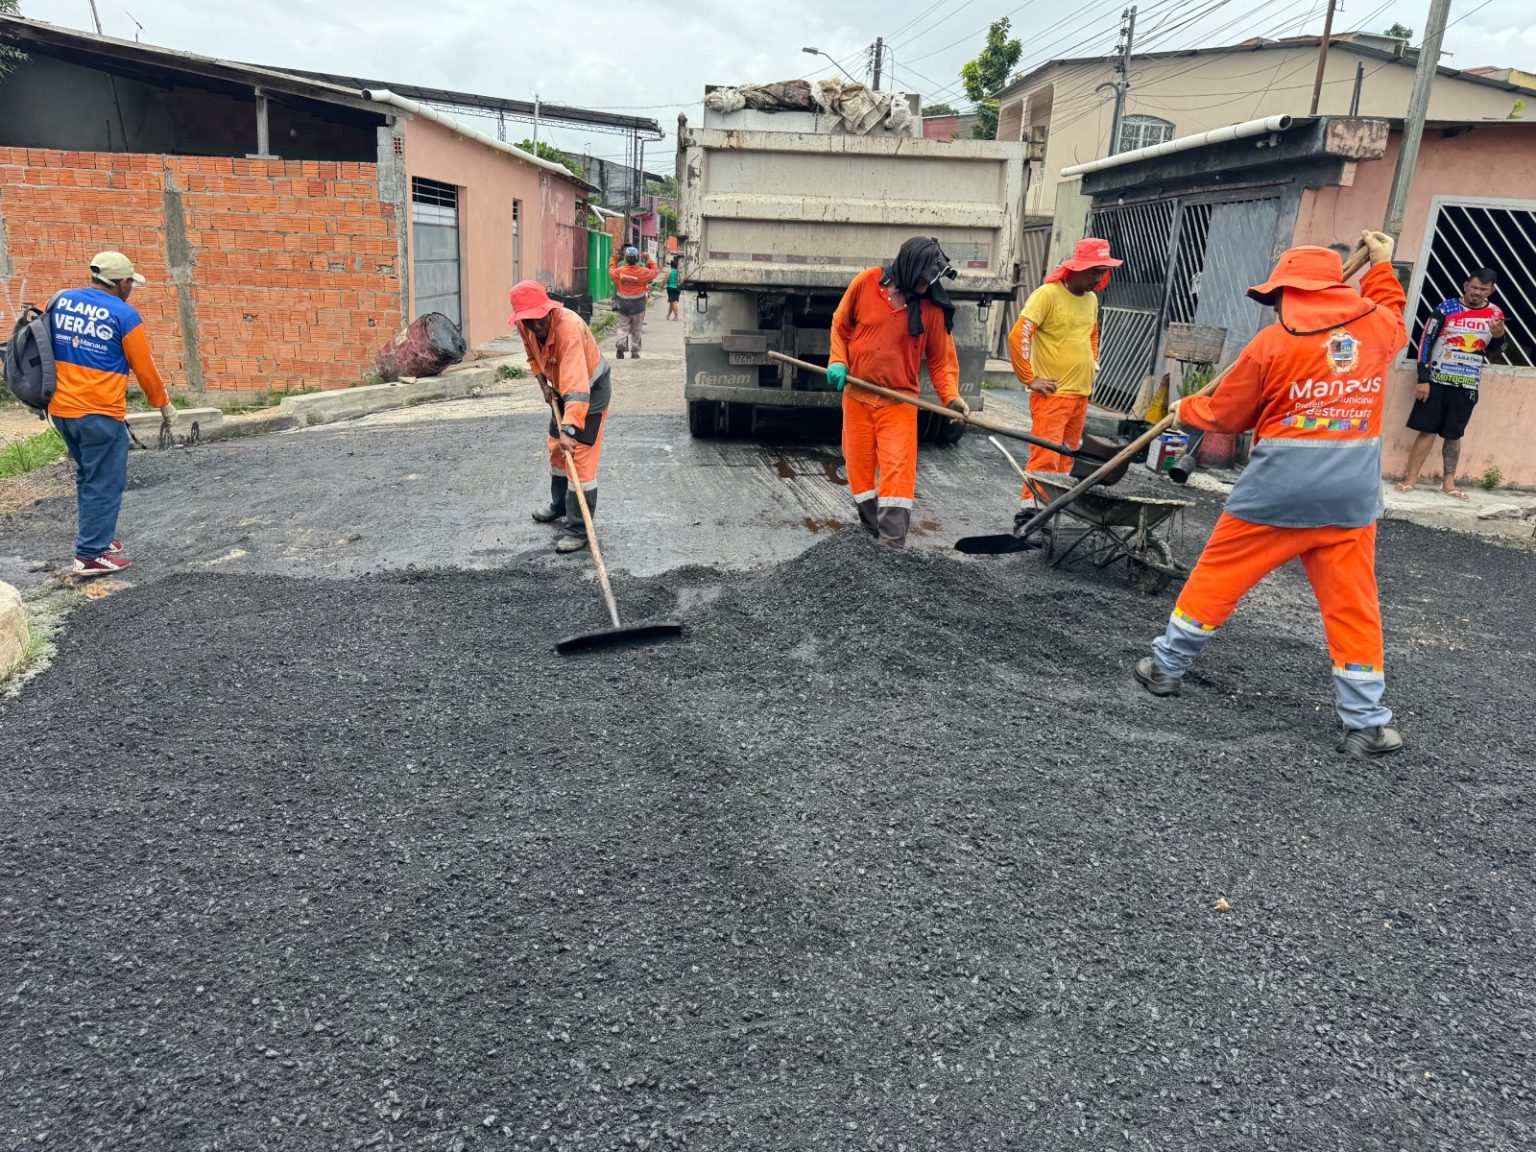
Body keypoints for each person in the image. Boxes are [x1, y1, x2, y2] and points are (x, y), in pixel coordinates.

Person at [1133, 231, 1409, 759]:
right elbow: (1393, 311)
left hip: (1275, 496)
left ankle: (1165, 669)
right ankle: (1367, 724)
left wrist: (1187, 410)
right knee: (1354, 608)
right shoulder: (1377, 326)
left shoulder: (1271, 343)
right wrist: (1382, 266)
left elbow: (1230, 416)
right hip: (1347, 501)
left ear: (1287, 292)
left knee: (1216, 580)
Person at [826, 236, 969, 547]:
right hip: (857, 398)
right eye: (923, 277)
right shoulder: (866, 282)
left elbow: (941, 363)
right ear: (908, 266)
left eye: (931, 279)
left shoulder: (932, 309)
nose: (925, 285)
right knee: (860, 472)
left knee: (897, 473)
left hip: (898, 403)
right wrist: (838, 360)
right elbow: (840, 325)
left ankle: (891, 547)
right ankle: (868, 536)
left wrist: (953, 398)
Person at [48, 251, 176, 577]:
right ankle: (90, 555)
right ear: (120, 283)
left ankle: (98, 538)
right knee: (105, 481)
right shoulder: (124, 315)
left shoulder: (60, 301)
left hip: (61, 410)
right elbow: (145, 368)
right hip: (98, 413)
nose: (131, 287)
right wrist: (162, 403)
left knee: (88, 475)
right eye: (130, 282)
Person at [1007, 237, 1122, 515]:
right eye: (1095, 270)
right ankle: (1030, 514)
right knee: (1045, 459)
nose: (1100, 277)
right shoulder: (1048, 294)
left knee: (1067, 461)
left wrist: (1093, 361)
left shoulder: (1092, 299)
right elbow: (1019, 334)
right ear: (1077, 268)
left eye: (1103, 271)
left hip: (1080, 395)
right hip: (1052, 395)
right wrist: (1029, 378)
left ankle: (1054, 513)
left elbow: (1092, 332)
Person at [509, 280, 611, 554]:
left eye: (540, 319)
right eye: (529, 321)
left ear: (549, 310)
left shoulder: (568, 331)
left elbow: (577, 387)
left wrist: (570, 430)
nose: (536, 326)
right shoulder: (525, 326)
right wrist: (543, 384)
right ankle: (560, 505)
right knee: (556, 447)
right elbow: (533, 356)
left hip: (590, 392)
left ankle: (579, 529)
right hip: (561, 391)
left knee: (579, 458)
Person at [1394, 267, 1508, 501]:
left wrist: (1500, 337)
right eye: (1474, 287)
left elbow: (1498, 352)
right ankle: (1410, 479)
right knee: (1427, 431)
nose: (1477, 293)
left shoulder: (1495, 315)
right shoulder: (1445, 309)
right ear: (1465, 285)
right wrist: (1423, 379)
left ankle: (1449, 484)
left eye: (1483, 289)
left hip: (1467, 385)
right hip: (1436, 380)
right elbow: (1425, 341)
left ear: (1492, 290)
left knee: (1454, 434)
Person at [608, 246, 659, 359]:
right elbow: (655, 272)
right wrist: (648, 259)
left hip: (623, 305)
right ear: (637, 259)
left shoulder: (620, 271)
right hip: (638, 306)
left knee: (623, 326)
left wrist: (613, 260)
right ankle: (635, 352)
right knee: (636, 329)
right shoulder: (643, 272)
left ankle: (621, 344)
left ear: (625, 258)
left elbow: (611, 272)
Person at [665, 257, 682, 321]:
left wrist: (662, 286)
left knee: (674, 302)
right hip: (677, 289)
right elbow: (680, 281)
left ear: (671, 265)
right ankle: (668, 315)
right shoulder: (678, 273)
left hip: (671, 288)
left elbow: (665, 280)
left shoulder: (669, 272)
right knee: (671, 302)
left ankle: (676, 317)